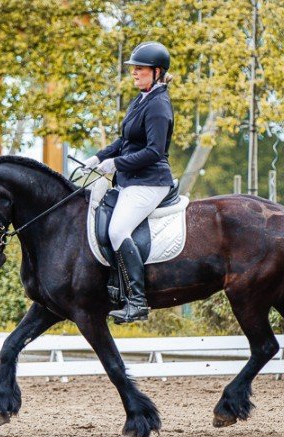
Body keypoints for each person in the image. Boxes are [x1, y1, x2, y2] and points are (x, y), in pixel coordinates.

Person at [82, 41, 175, 324]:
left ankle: (137, 301)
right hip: (131, 179)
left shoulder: (159, 105)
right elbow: (125, 140)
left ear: (157, 71)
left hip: (150, 182)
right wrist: (98, 157)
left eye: (140, 68)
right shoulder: (142, 98)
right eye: (133, 68)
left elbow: (154, 151)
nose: (134, 72)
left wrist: (117, 163)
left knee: (118, 229)